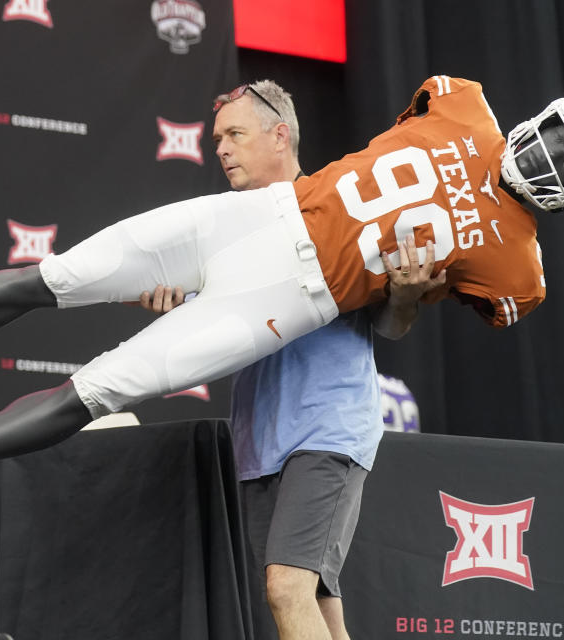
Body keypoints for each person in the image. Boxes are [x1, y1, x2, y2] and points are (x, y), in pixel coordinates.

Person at [0, 73, 564, 565]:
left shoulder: (516, 264)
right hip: (261, 219)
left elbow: (397, 324)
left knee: (96, 388)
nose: (548, 156)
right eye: (559, 138)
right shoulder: (465, 106)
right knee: (53, 275)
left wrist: (408, 292)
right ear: (547, 113)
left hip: (288, 303)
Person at [135, 80, 434, 640]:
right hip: (260, 446)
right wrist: (169, 304)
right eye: (216, 138)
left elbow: (390, 326)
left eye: (234, 134)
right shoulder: (228, 232)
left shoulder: (338, 209)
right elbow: (211, 327)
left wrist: (406, 294)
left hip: (328, 431)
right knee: (318, 604)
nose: (219, 148)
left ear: (280, 135)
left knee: (287, 588)